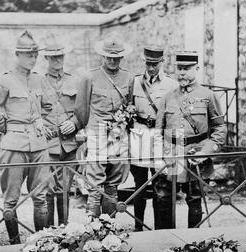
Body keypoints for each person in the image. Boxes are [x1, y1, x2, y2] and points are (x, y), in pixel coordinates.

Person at [0, 30, 52, 244]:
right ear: (17, 55)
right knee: (11, 200)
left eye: (35, 55)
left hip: (39, 145)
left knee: (41, 197)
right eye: (28, 54)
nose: (33, 58)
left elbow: (48, 105)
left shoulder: (39, 80)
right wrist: (10, 128)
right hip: (14, 146)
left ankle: (42, 244)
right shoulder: (4, 81)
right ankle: (14, 244)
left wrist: (40, 120)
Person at [154, 51, 226, 229]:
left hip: (196, 155)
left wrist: (205, 152)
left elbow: (220, 128)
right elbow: (158, 131)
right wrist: (158, 157)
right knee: (164, 199)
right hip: (170, 155)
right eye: (179, 68)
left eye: (187, 68)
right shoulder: (167, 97)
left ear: (197, 69)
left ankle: (194, 243)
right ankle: (167, 244)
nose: (182, 73)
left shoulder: (208, 96)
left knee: (195, 200)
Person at [74, 32, 134, 217]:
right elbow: (81, 109)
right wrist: (89, 131)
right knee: (94, 183)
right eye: (109, 57)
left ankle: (110, 227)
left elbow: (129, 105)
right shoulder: (89, 77)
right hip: (97, 134)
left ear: (122, 57)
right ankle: (92, 230)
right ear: (102, 55)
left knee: (113, 184)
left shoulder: (128, 78)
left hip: (118, 135)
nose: (113, 61)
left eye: (116, 57)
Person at [129, 46, 178, 231]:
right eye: (148, 64)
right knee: (139, 186)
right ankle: (138, 228)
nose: (151, 68)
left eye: (155, 64)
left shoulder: (171, 85)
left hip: (160, 138)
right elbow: (128, 108)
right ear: (144, 62)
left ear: (162, 62)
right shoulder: (134, 83)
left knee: (161, 186)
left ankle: (161, 231)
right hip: (139, 136)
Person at [42, 33, 79, 226]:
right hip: (48, 145)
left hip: (69, 145)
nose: (58, 60)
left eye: (61, 56)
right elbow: (31, 111)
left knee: (65, 190)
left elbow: (83, 111)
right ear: (46, 58)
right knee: (48, 190)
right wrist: (40, 124)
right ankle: (47, 236)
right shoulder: (38, 81)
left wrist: (75, 123)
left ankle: (64, 233)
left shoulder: (75, 81)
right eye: (53, 57)